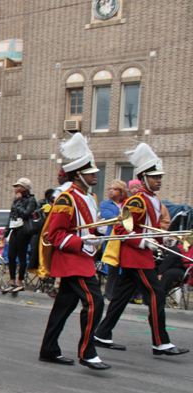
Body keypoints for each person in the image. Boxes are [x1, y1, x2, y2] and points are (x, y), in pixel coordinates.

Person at [94, 143, 188, 357]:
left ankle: (102, 333)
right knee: (156, 295)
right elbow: (121, 228)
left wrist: (165, 239)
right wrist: (143, 242)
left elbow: (151, 229)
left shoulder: (154, 199)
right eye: (155, 177)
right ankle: (160, 342)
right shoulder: (137, 201)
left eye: (160, 177)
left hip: (139, 257)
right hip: (136, 257)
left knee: (120, 297)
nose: (159, 180)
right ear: (144, 177)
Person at [38, 133, 110, 370]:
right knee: (95, 302)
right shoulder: (66, 200)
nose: (95, 176)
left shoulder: (89, 197)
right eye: (91, 173)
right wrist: (82, 242)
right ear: (79, 175)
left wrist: (98, 235)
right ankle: (87, 352)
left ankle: (48, 349)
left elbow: (88, 226)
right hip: (72, 260)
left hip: (83, 257)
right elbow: (55, 235)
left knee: (64, 307)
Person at [2, 177, 37, 293]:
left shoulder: (31, 200)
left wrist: (19, 202)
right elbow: (11, 217)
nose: (15, 188)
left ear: (24, 188)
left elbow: (26, 214)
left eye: (18, 186)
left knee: (21, 256)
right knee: (11, 256)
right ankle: (12, 282)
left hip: (23, 229)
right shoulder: (15, 200)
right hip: (14, 229)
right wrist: (5, 233)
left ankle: (20, 282)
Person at [99, 179, 128, 300]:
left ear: (121, 191)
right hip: (113, 238)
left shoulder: (129, 203)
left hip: (126, 238)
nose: (111, 191)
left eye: (114, 189)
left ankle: (123, 294)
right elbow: (112, 218)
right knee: (112, 268)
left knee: (126, 267)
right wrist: (126, 219)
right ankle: (109, 294)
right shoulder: (105, 204)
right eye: (110, 189)